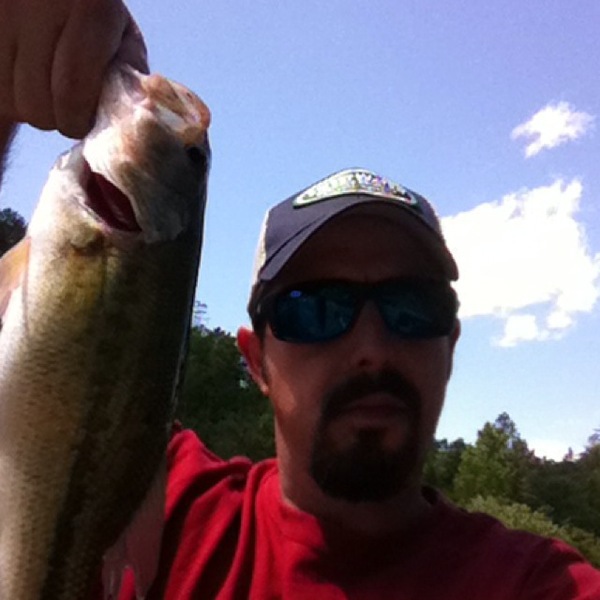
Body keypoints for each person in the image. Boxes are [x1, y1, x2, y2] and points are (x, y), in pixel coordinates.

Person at [1, 2, 599, 598]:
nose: (371, 348)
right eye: (316, 310)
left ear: (451, 346)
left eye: (412, 308)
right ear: (256, 360)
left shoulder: (539, 585)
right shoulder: (156, 498)